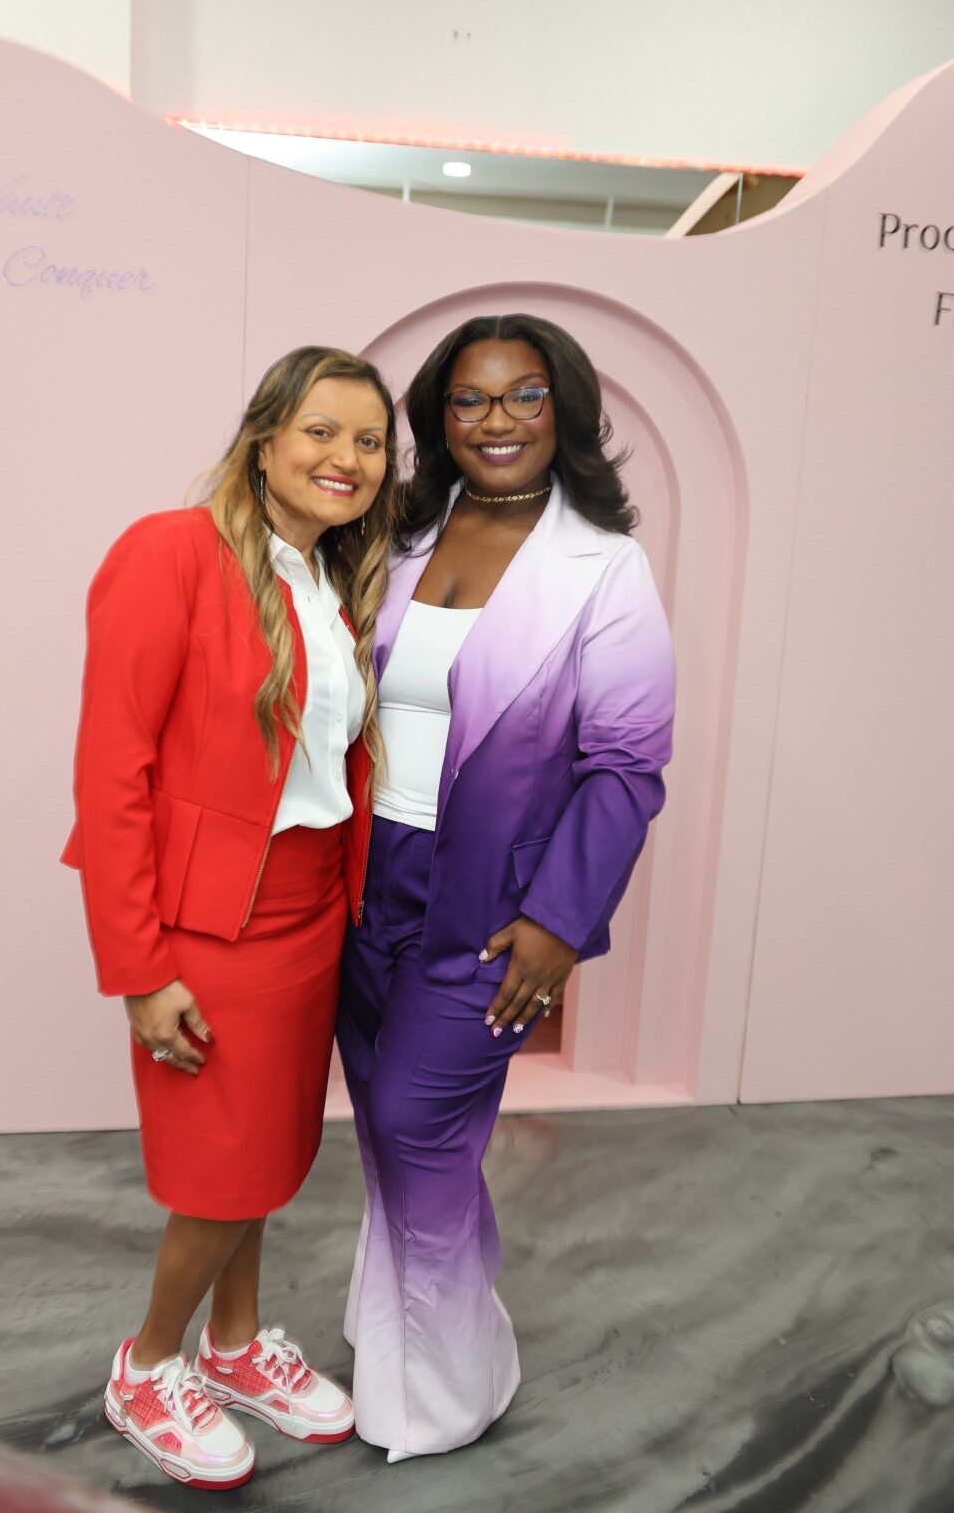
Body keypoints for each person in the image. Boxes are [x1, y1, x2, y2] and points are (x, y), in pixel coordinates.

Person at [337, 313, 676, 1459]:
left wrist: (556, 922)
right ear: (438, 417)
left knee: (415, 1123)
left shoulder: (604, 565)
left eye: (524, 395)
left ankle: (444, 1391)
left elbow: (625, 765)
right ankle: (400, 1336)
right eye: (469, 399)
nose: (497, 420)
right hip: (366, 882)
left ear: (562, 408)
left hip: (491, 905)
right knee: (387, 1135)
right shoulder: (397, 532)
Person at [61, 346, 399, 1490]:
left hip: (310, 912)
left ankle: (235, 1343)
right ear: (263, 440)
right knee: (220, 1170)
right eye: (320, 431)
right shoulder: (169, 551)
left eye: (367, 441)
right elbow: (110, 773)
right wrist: (138, 966)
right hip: (209, 926)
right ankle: (149, 1364)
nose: (345, 457)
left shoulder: (330, 574)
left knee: (268, 1155)